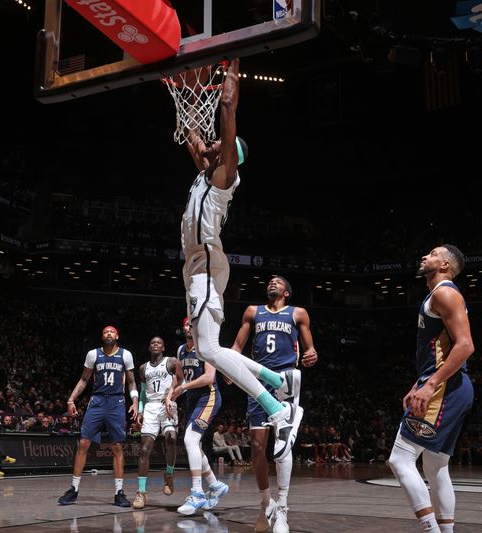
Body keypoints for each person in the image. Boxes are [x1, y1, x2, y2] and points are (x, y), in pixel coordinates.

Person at [179, 57, 303, 469]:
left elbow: (227, 110)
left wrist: (232, 64)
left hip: (208, 264)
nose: (212, 144)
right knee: (210, 349)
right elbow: (193, 136)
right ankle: (270, 380)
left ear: (231, 154)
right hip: (197, 265)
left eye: (221, 144)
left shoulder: (224, 175)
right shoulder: (206, 169)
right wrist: (190, 79)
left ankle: (275, 405)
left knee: (209, 349)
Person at [387, 245, 475, 533]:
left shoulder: (444, 293)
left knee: (399, 459)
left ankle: (431, 530)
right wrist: (419, 383)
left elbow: (465, 346)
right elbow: (437, 349)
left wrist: (431, 385)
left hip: (446, 387)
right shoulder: (436, 295)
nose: (425, 256)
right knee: (436, 467)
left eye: (433, 254)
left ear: (446, 265)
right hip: (451, 386)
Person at [231, 275, 318, 533]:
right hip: (257, 380)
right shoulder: (253, 311)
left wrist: (312, 353)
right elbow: (237, 345)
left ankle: (283, 508)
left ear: (287, 292)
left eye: (278, 282)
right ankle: (265, 502)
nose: (272, 283)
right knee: (258, 446)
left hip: (285, 380)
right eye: (270, 281)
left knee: (282, 445)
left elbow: (310, 348)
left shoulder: (298, 313)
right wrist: (228, 367)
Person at [58, 326, 139, 507]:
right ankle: (74, 489)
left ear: (117, 336)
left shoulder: (126, 355)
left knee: (117, 446)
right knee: (83, 443)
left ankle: (119, 493)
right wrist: (71, 399)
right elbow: (84, 379)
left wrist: (135, 401)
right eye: (105, 332)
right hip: (97, 401)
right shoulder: (93, 354)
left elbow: (132, 381)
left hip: (117, 402)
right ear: (102, 337)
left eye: (112, 332)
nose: (108, 334)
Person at [168, 317, 229, 515]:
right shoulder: (180, 350)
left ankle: (197, 493)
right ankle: (215, 484)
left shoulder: (205, 348)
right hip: (193, 400)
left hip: (208, 396)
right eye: (186, 324)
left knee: (190, 439)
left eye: (192, 324)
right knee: (194, 444)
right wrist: (170, 396)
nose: (189, 327)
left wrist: (183, 387)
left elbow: (209, 377)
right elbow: (178, 378)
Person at [133, 336, 179, 509]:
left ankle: (168, 475)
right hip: (151, 407)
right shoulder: (143, 368)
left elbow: (181, 379)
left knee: (172, 438)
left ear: (163, 347)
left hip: (167, 404)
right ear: (149, 347)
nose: (155, 344)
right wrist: (141, 409)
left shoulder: (172, 362)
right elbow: (143, 391)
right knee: (145, 449)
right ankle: (141, 492)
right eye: (152, 342)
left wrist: (171, 393)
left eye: (159, 342)